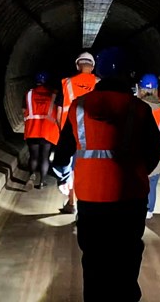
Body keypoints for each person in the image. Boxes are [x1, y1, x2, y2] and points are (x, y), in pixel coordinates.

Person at [52, 72, 160, 302]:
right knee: (126, 258)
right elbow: (155, 148)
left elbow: (63, 153)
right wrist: (137, 172)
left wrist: (64, 177)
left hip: (91, 197)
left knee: (94, 259)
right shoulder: (139, 108)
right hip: (129, 197)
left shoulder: (78, 107)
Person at [55, 51, 100, 214]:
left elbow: (60, 111)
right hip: (94, 135)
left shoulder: (66, 84)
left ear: (77, 65)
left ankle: (72, 202)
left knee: (73, 169)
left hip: (71, 133)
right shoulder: (100, 84)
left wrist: (62, 134)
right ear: (93, 66)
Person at [23, 71, 61, 189]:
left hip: (32, 129)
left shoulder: (29, 94)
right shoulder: (53, 94)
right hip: (47, 131)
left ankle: (31, 176)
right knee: (45, 157)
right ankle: (42, 181)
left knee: (33, 156)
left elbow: (24, 111)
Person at [137, 73, 160, 219]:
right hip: (157, 152)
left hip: (139, 151)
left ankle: (138, 208)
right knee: (153, 182)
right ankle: (150, 210)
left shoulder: (137, 106)